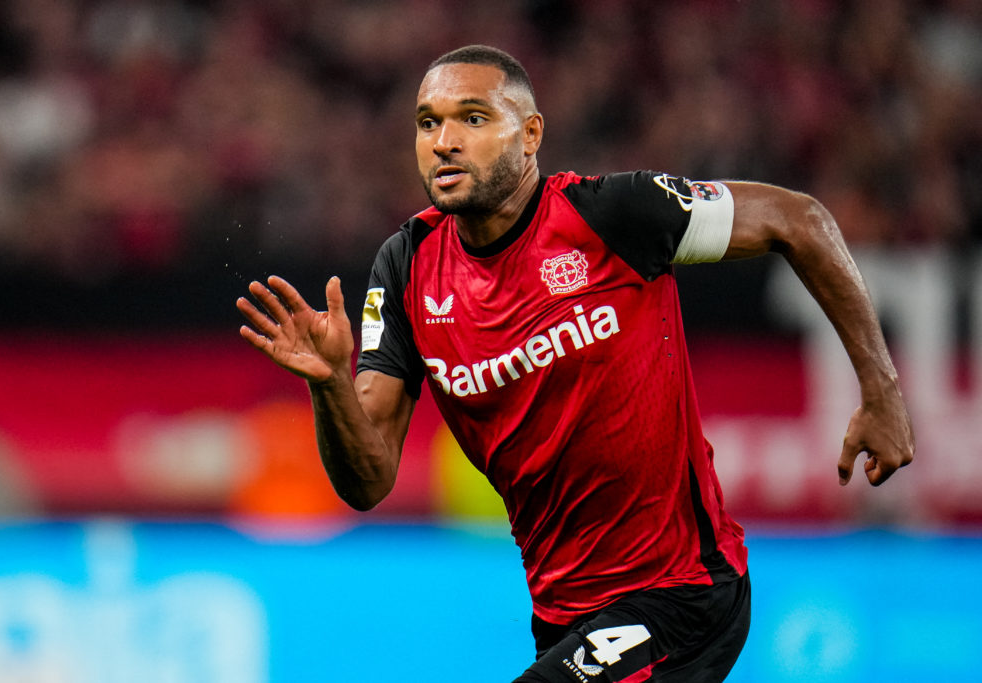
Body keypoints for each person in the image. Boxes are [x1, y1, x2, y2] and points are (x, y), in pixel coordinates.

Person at [236, 45, 914, 683]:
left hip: (682, 591)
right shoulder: (407, 266)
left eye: (473, 119)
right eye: (427, 122)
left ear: (530, 135)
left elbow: (800, 220)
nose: (443, 141)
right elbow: (368, 480)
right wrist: (329, 385)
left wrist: (881, 390)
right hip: (564, 620)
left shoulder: (614, 216)